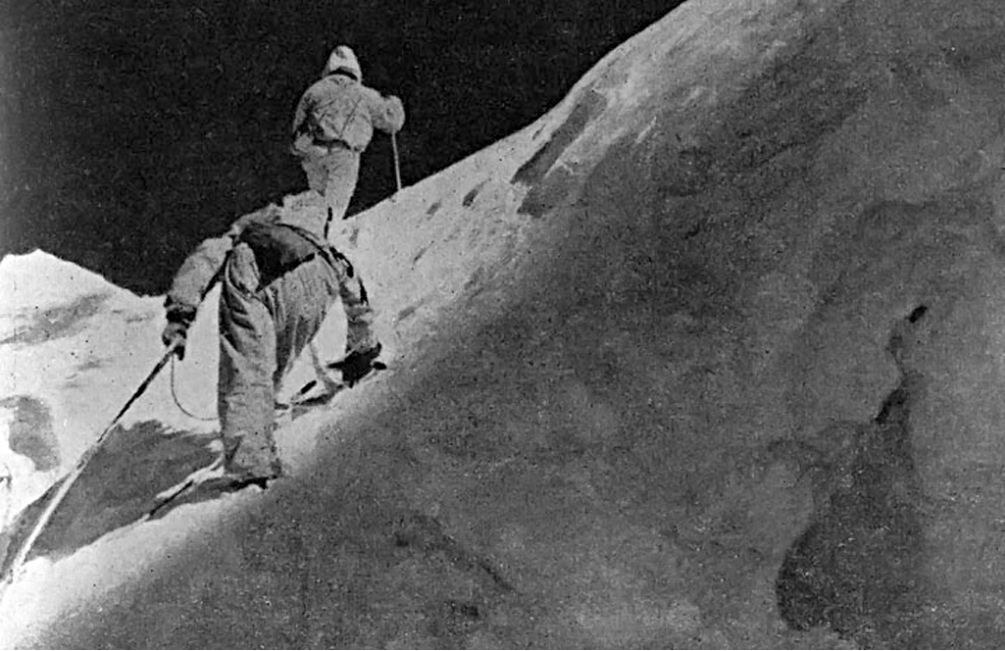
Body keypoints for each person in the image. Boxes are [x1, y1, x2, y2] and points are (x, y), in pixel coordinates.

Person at [291, 45, 405, 230]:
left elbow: (298, 127)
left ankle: (312, 231)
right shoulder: (363, 93)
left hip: (314, 153)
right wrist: (394, 104)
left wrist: (301, 151)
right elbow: (391, 122)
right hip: (343, 155)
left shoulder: (313, 91)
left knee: (318, 203)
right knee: (335, 207)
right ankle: (328, 231)